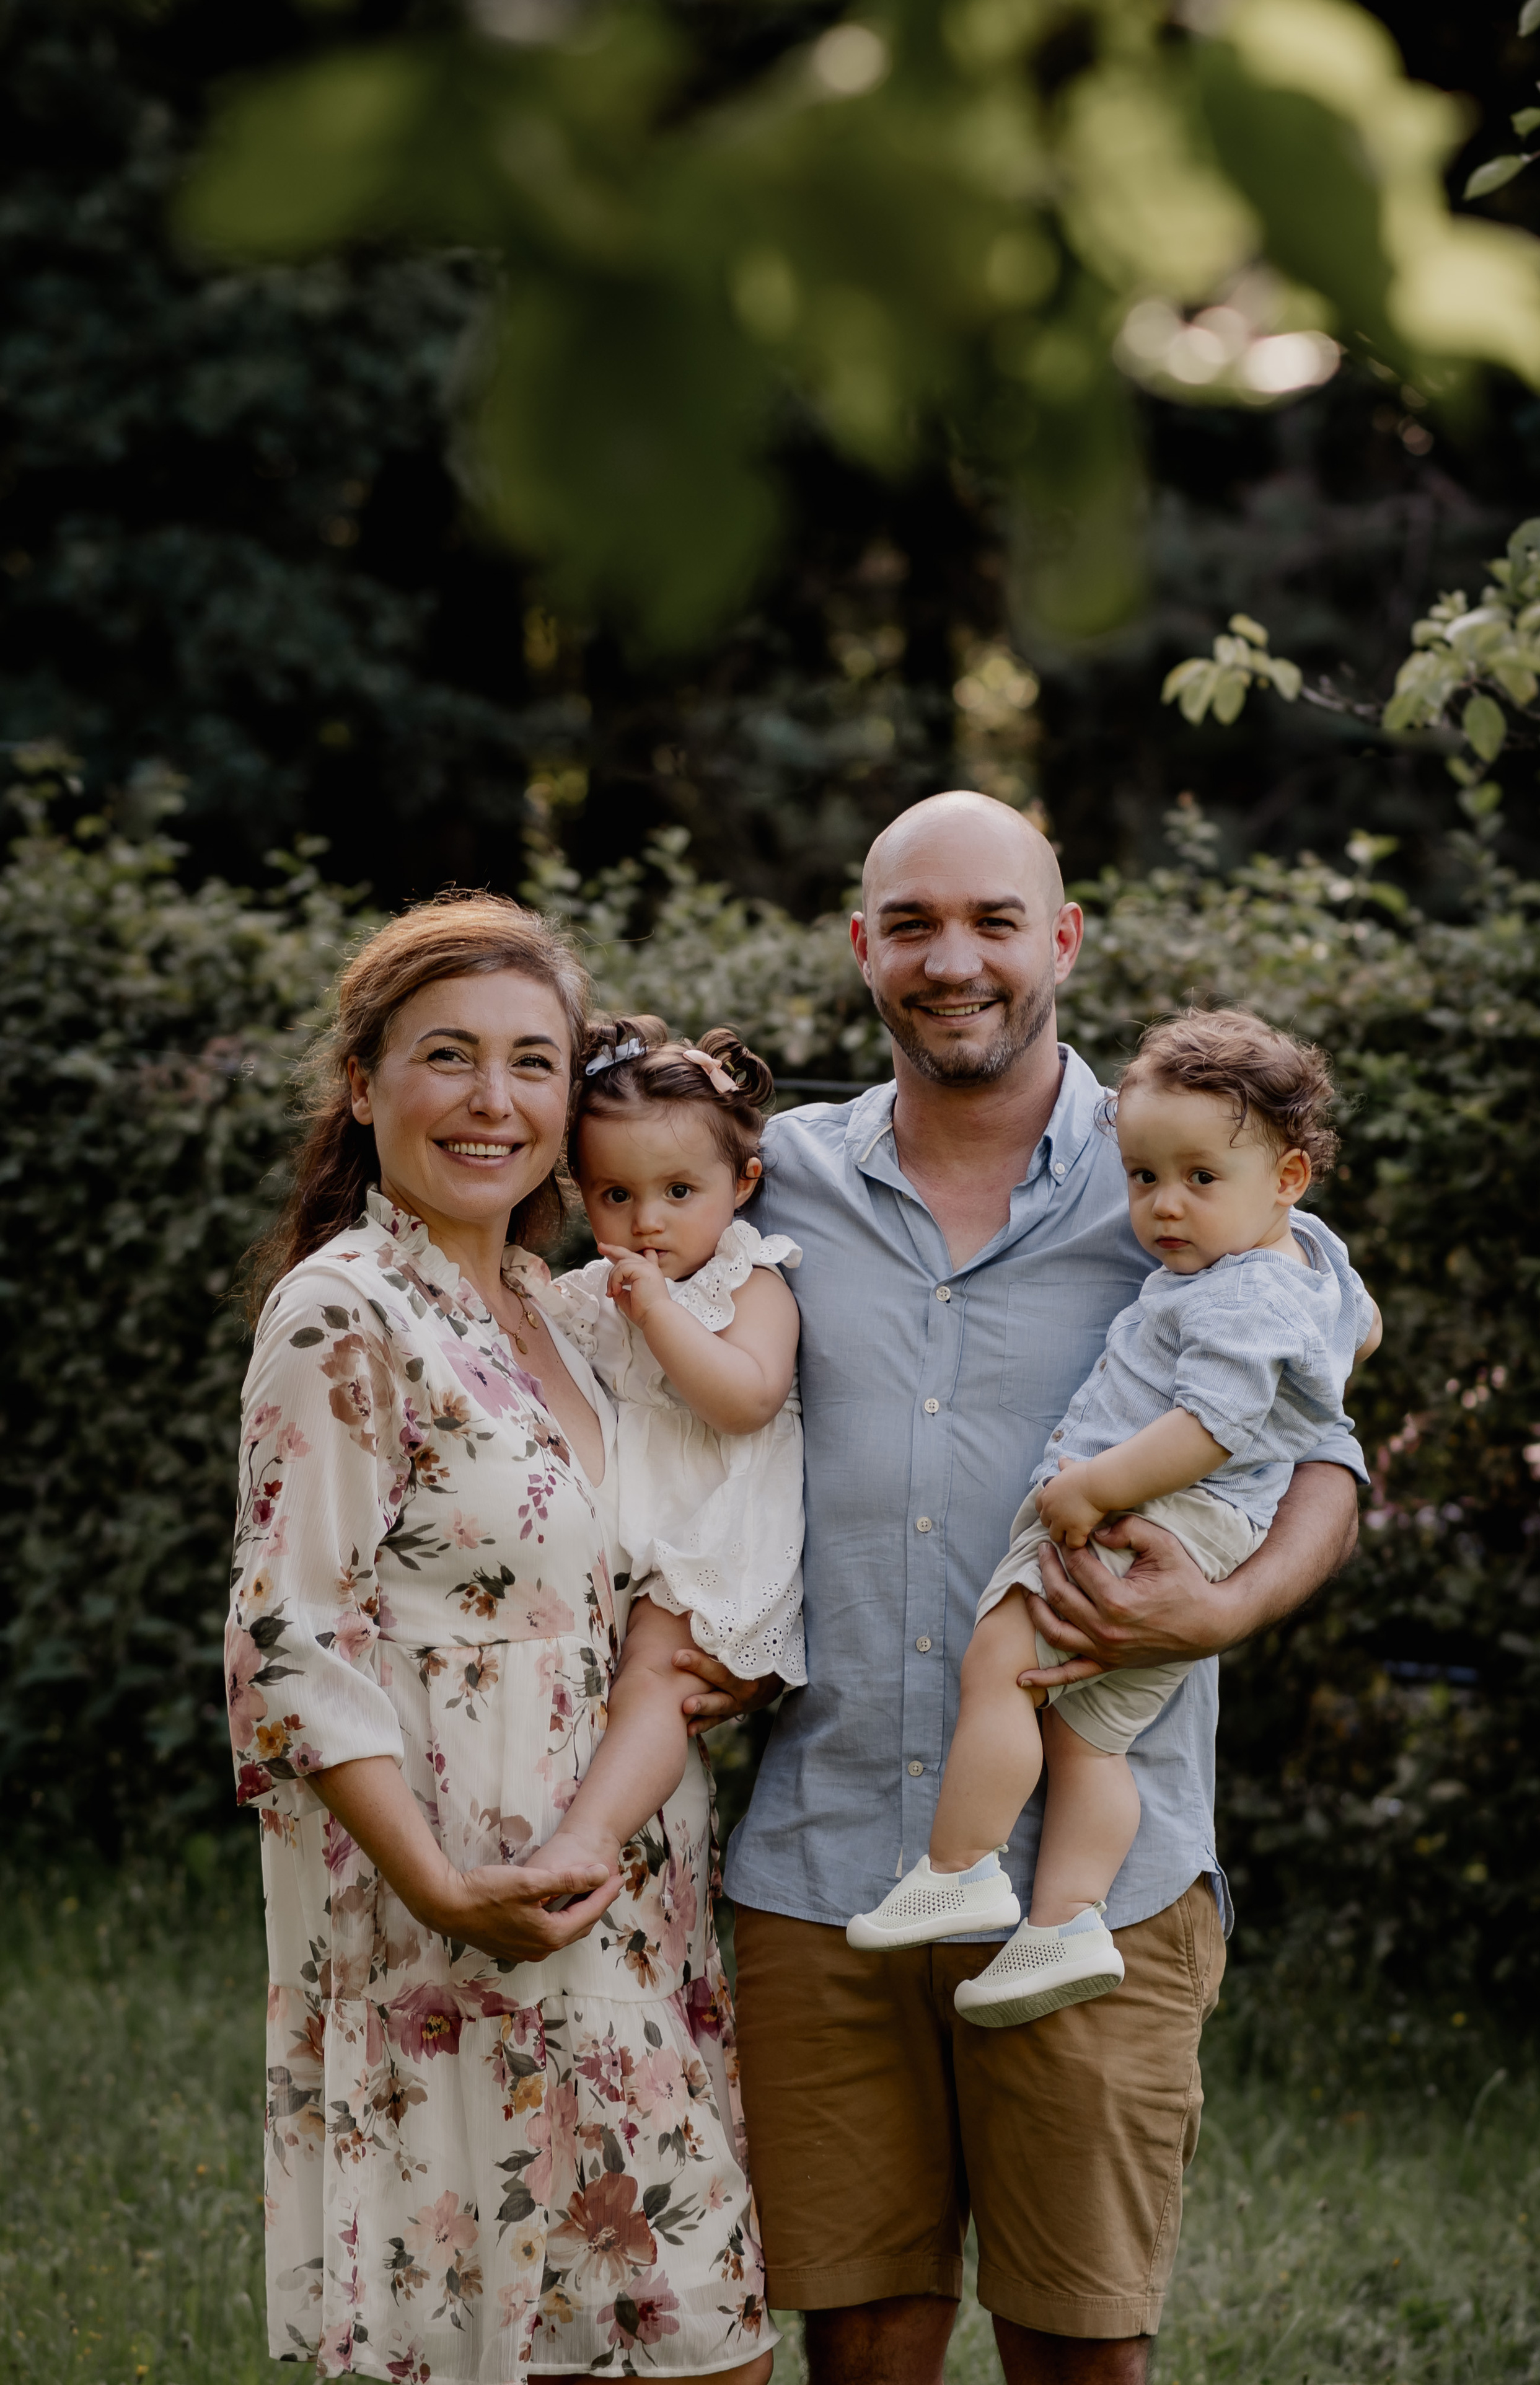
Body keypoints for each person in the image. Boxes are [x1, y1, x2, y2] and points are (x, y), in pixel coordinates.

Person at [669, 791, 1366, 2385]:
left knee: (1079, 2348)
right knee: (860, 2332)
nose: (951, 959)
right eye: (910, 923)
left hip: (1095, 1881)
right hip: (826, 1854)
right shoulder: (772, 1185)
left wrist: (1232, 1604)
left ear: (1059, 938)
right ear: (862, 950)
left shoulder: (1185, 1175)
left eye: (993, 920)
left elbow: (1327, 1448)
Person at [226, 895, 774, 2385]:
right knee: (637, 2340)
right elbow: (288, 1636)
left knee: (653, 2334)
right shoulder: (346, 1310)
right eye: (448, 1056)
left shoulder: (558, 1302)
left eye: (532, 1063)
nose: (493, 1101)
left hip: (628, 1872)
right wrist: (443, 1886)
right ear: (363, 1081)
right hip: (453, 1888)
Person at [847, 1008, 1383, 2029]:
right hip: (1209, 1529)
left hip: (1154, 1511)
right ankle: (1065, 1924)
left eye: (1200, 1180)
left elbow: (1217, 1420)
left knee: (1002, 1667)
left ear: (1290, 1178)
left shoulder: (1239, 1292)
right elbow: (1363, 1330)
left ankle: (960, 1868)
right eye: (1143, 1178)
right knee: (1094, 1738)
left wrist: (1093, 1490)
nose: (1165, 1208)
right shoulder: (1307, 1256)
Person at [535, 1014, 805, 1893]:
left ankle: (589, 1841)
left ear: (743, 1183)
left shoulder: (751, 1279)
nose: (647, 1222)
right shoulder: (600, 1292)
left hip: (719, 1529)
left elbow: (745, 1401)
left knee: (655, 1682)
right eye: (617, 1196)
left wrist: (657, 1312)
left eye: (679, 1193)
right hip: (635, 1534)